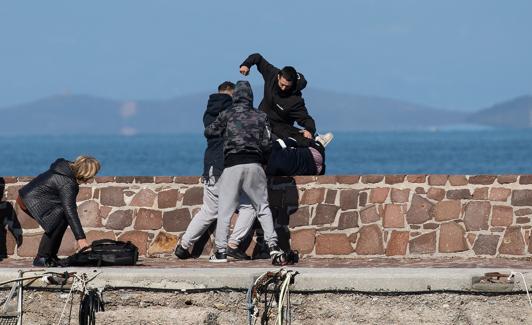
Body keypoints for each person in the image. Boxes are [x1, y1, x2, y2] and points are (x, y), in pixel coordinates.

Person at [174, 81, 256, 261]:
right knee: (249, 205)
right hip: (227, 165)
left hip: (210, 165)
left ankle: (183, 245)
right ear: (233, 95)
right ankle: (232, 245)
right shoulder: (232, 113)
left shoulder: (208, 113)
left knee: (209, 210)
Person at [205, 80, 283, 264]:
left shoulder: (227, 114)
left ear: (236, 96)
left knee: (225, 210)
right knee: (262, 207)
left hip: (232, 165)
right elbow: (267, 143)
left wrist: (226, 133)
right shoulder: (261, 116)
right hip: (255, 165)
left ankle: (221, 252)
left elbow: (209, 131)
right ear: (251, 96)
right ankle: (273, 246)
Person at [17, 156, 100, 267]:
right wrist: (81, 239)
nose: (91, 179)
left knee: (61, 217)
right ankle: (42, 258)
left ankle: (50, 256)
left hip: (30, 197)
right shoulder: (68, 183)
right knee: (57, 219)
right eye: (91, 176)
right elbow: (70, 210)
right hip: (30, 202)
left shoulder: (65, 169)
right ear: (85, 173)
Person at [239, 53, 333, 147]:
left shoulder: (295, 100)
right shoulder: (272, 74)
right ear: (278, 77)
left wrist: (309, 129)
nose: (283, 88)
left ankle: (318, 141)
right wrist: (246, 65)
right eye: (282, 84)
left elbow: (306, 118)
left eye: (287, 86)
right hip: (261, 118)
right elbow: (257, 57)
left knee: (291, 134)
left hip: (280, 126)